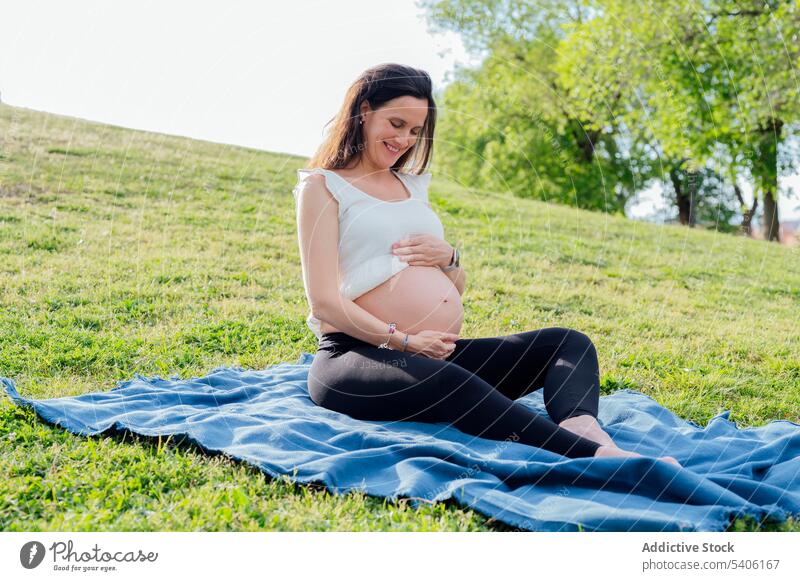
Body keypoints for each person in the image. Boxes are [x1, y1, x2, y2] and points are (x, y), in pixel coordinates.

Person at [292, 63, 680, 466]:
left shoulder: (410, 185)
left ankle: (582, 427)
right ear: (365, 111)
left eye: (415, 130)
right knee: (453, 383)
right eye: (396, 123)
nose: (405, 139)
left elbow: (454, 287)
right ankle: (597, 457)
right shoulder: (322, 186)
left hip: (429, 353)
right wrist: (404, 341)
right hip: (356, 356)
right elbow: (323, 303)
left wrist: (451, 258)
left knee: (567, 343)